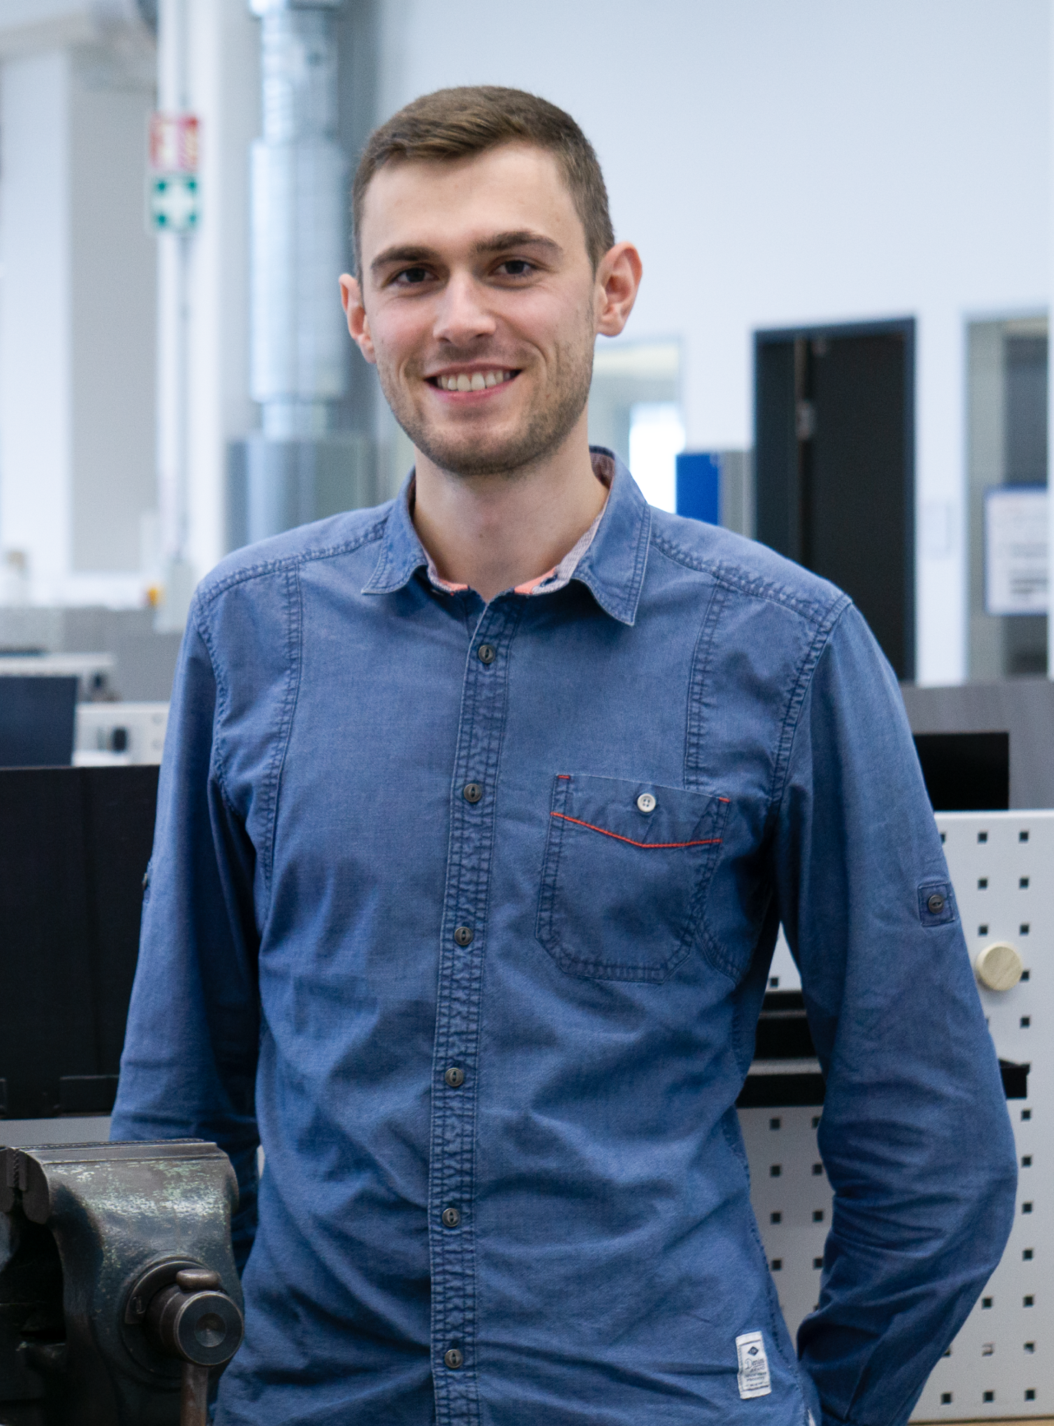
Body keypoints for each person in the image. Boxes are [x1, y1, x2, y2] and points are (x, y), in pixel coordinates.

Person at [111, 84, 1015, 1425]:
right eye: (415, 274)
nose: (462, 316)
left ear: (611, 286)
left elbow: (932, 1138)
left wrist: (828, 1407)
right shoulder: (255, 629)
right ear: (362, 314)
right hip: (315, 1397)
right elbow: (180, 1100)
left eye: (515, 264)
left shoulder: (789, 647)